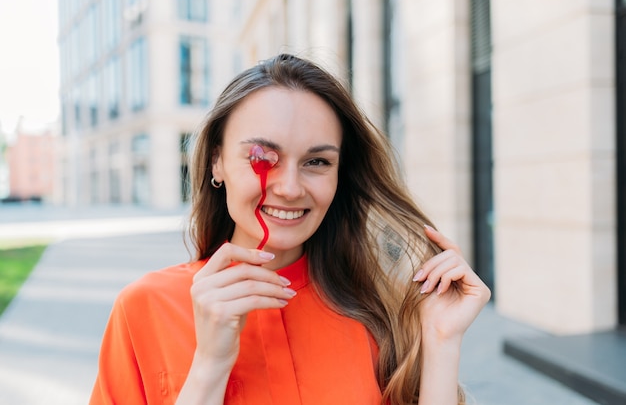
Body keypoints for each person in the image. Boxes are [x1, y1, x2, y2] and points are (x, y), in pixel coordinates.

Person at [89, 54, 491, 405]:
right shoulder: (144, 308)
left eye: (316, 162)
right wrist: (210, 364)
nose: (290, 188)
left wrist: (440, 343)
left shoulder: (377, 312)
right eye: (263, 156)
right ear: (217, 162)